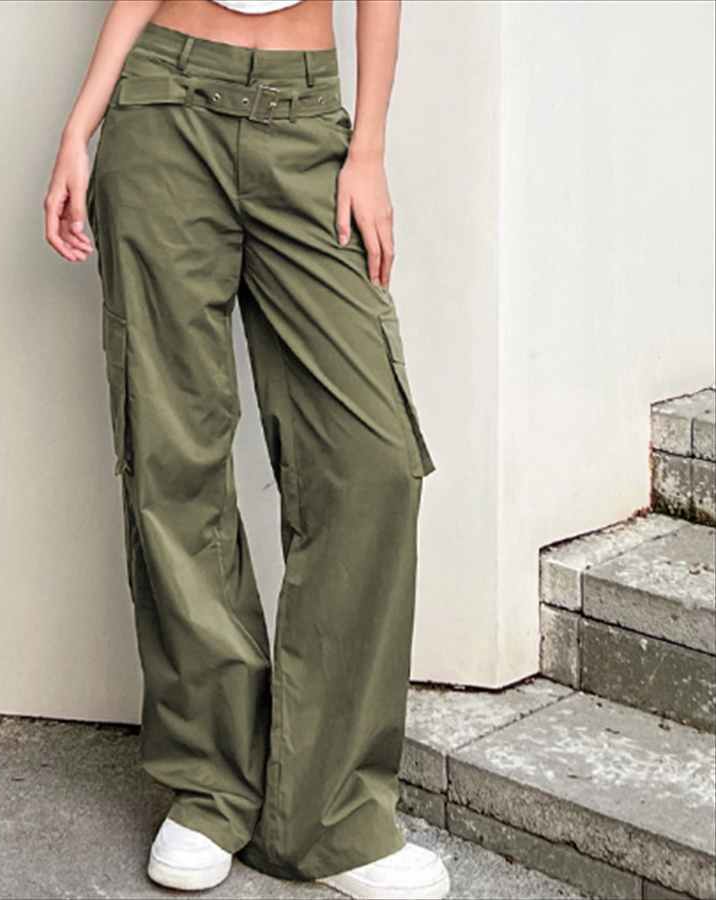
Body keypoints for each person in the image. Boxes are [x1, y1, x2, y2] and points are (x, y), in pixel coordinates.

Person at [44, 1, 447, 898]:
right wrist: (81, 126)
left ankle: (332, 816)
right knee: (171, 454)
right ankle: (210, 786)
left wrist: (368, 149)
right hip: (162, 108)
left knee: (372, 463)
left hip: (305, 120)